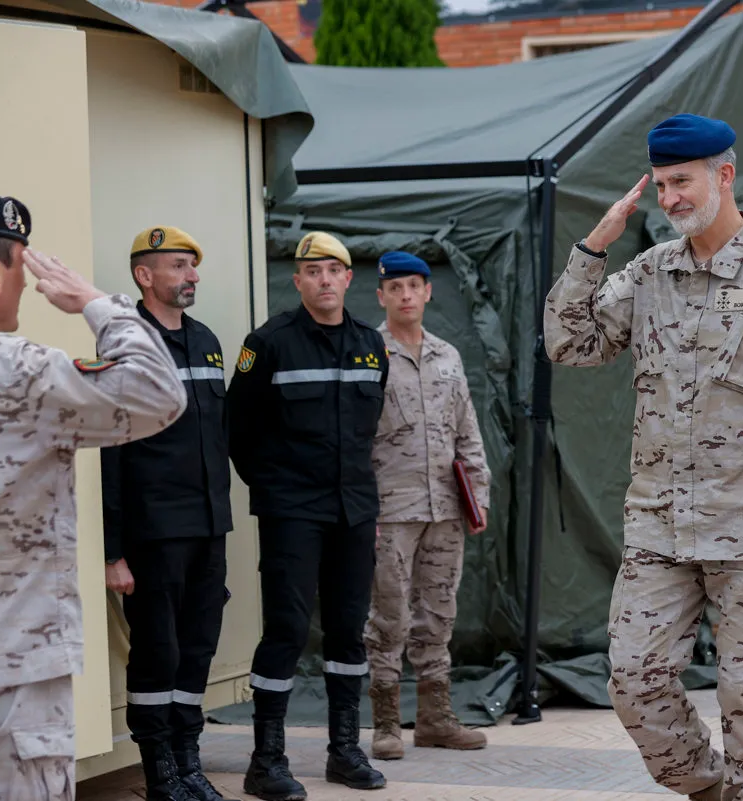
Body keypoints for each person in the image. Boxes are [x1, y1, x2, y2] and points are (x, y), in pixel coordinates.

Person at [543, 114, 743, 801]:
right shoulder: (650, 270)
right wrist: (593, 246)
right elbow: (571, 345)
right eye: (658, 186)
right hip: (660, 525)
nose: (670, 198)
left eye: (680, 181)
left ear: (723, 174)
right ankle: (709, 788)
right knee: (633, 678)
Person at [0, 193, 186, 800]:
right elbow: (160, 395)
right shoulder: (22, 371)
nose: (28, 288)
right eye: (23, 272)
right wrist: (98, 304)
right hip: (8, 677)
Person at [228, 231, 389, 799]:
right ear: (296, 281)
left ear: (349, 280)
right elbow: (238, 431)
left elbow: (369, 431)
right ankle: (265, 760)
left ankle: (345, 752)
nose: (324, 280)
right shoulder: (268, 343)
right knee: (288, 631)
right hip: (292, 511)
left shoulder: (372, 344)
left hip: (354, 510)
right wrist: (277, 492)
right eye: (312, 271)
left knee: (348, 631)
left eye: (334, 270)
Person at [101, 227, 233, 801]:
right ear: (144, 275)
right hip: (154, 531)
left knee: (199, 647)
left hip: (208, 526)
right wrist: (112, 551)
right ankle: (160, 773)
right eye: (179, 266)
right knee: (159, 651)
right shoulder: (126, 344)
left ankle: (187, 760)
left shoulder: (205, 340)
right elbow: (107, 452)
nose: (192, 276)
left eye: (193, 267)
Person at [363, 251, 491, 761]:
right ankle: (387, 723)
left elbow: (468, 432)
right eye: (396, 288)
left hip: (445, 510)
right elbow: (354, 440)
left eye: (415, 286)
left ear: (428, 292)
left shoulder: (448, 356)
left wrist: (476, 499)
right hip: (390, 510)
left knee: (438, 612)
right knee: (388, 615)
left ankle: (436, 719)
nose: (407, 296)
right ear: (382, 296)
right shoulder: (368, 353)